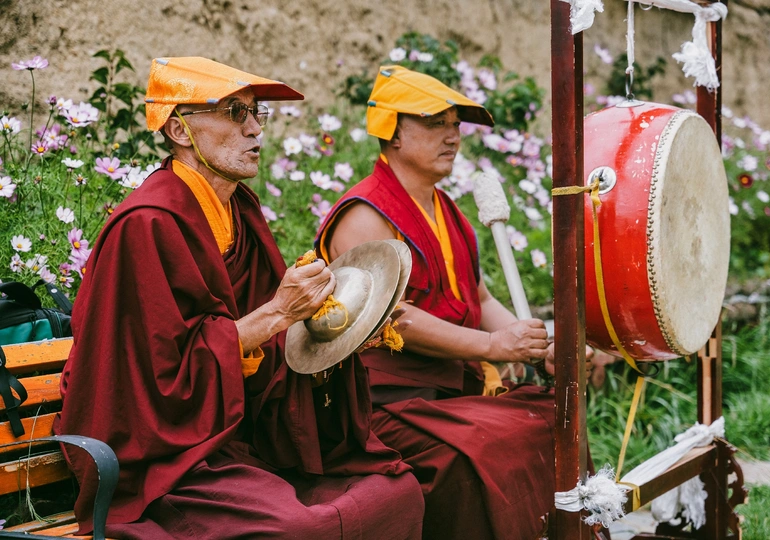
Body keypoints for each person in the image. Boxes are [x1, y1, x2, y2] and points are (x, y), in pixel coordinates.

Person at [54, 57, 424, 540]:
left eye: (257, 113)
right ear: (179, 129)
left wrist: (341, 329)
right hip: (163, 460)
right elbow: (153, 385)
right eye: (234, 113)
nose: (255, 130)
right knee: (297, 528)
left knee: (395, 491)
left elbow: (266, 349)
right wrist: (278, 313)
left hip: (230, 434)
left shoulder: (237, 211)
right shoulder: (147, 225)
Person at [316, 65, 585, 540]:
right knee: (475, 453)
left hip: (447, 393)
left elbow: (476, 298)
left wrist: (534, 340)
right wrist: (492, 347)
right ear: (392, 131)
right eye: (435, 123)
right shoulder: (363, 214)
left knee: (553, 415)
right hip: (384, 403)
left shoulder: (449, 212)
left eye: (456, 124)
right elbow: (392, 315)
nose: (452, 137)